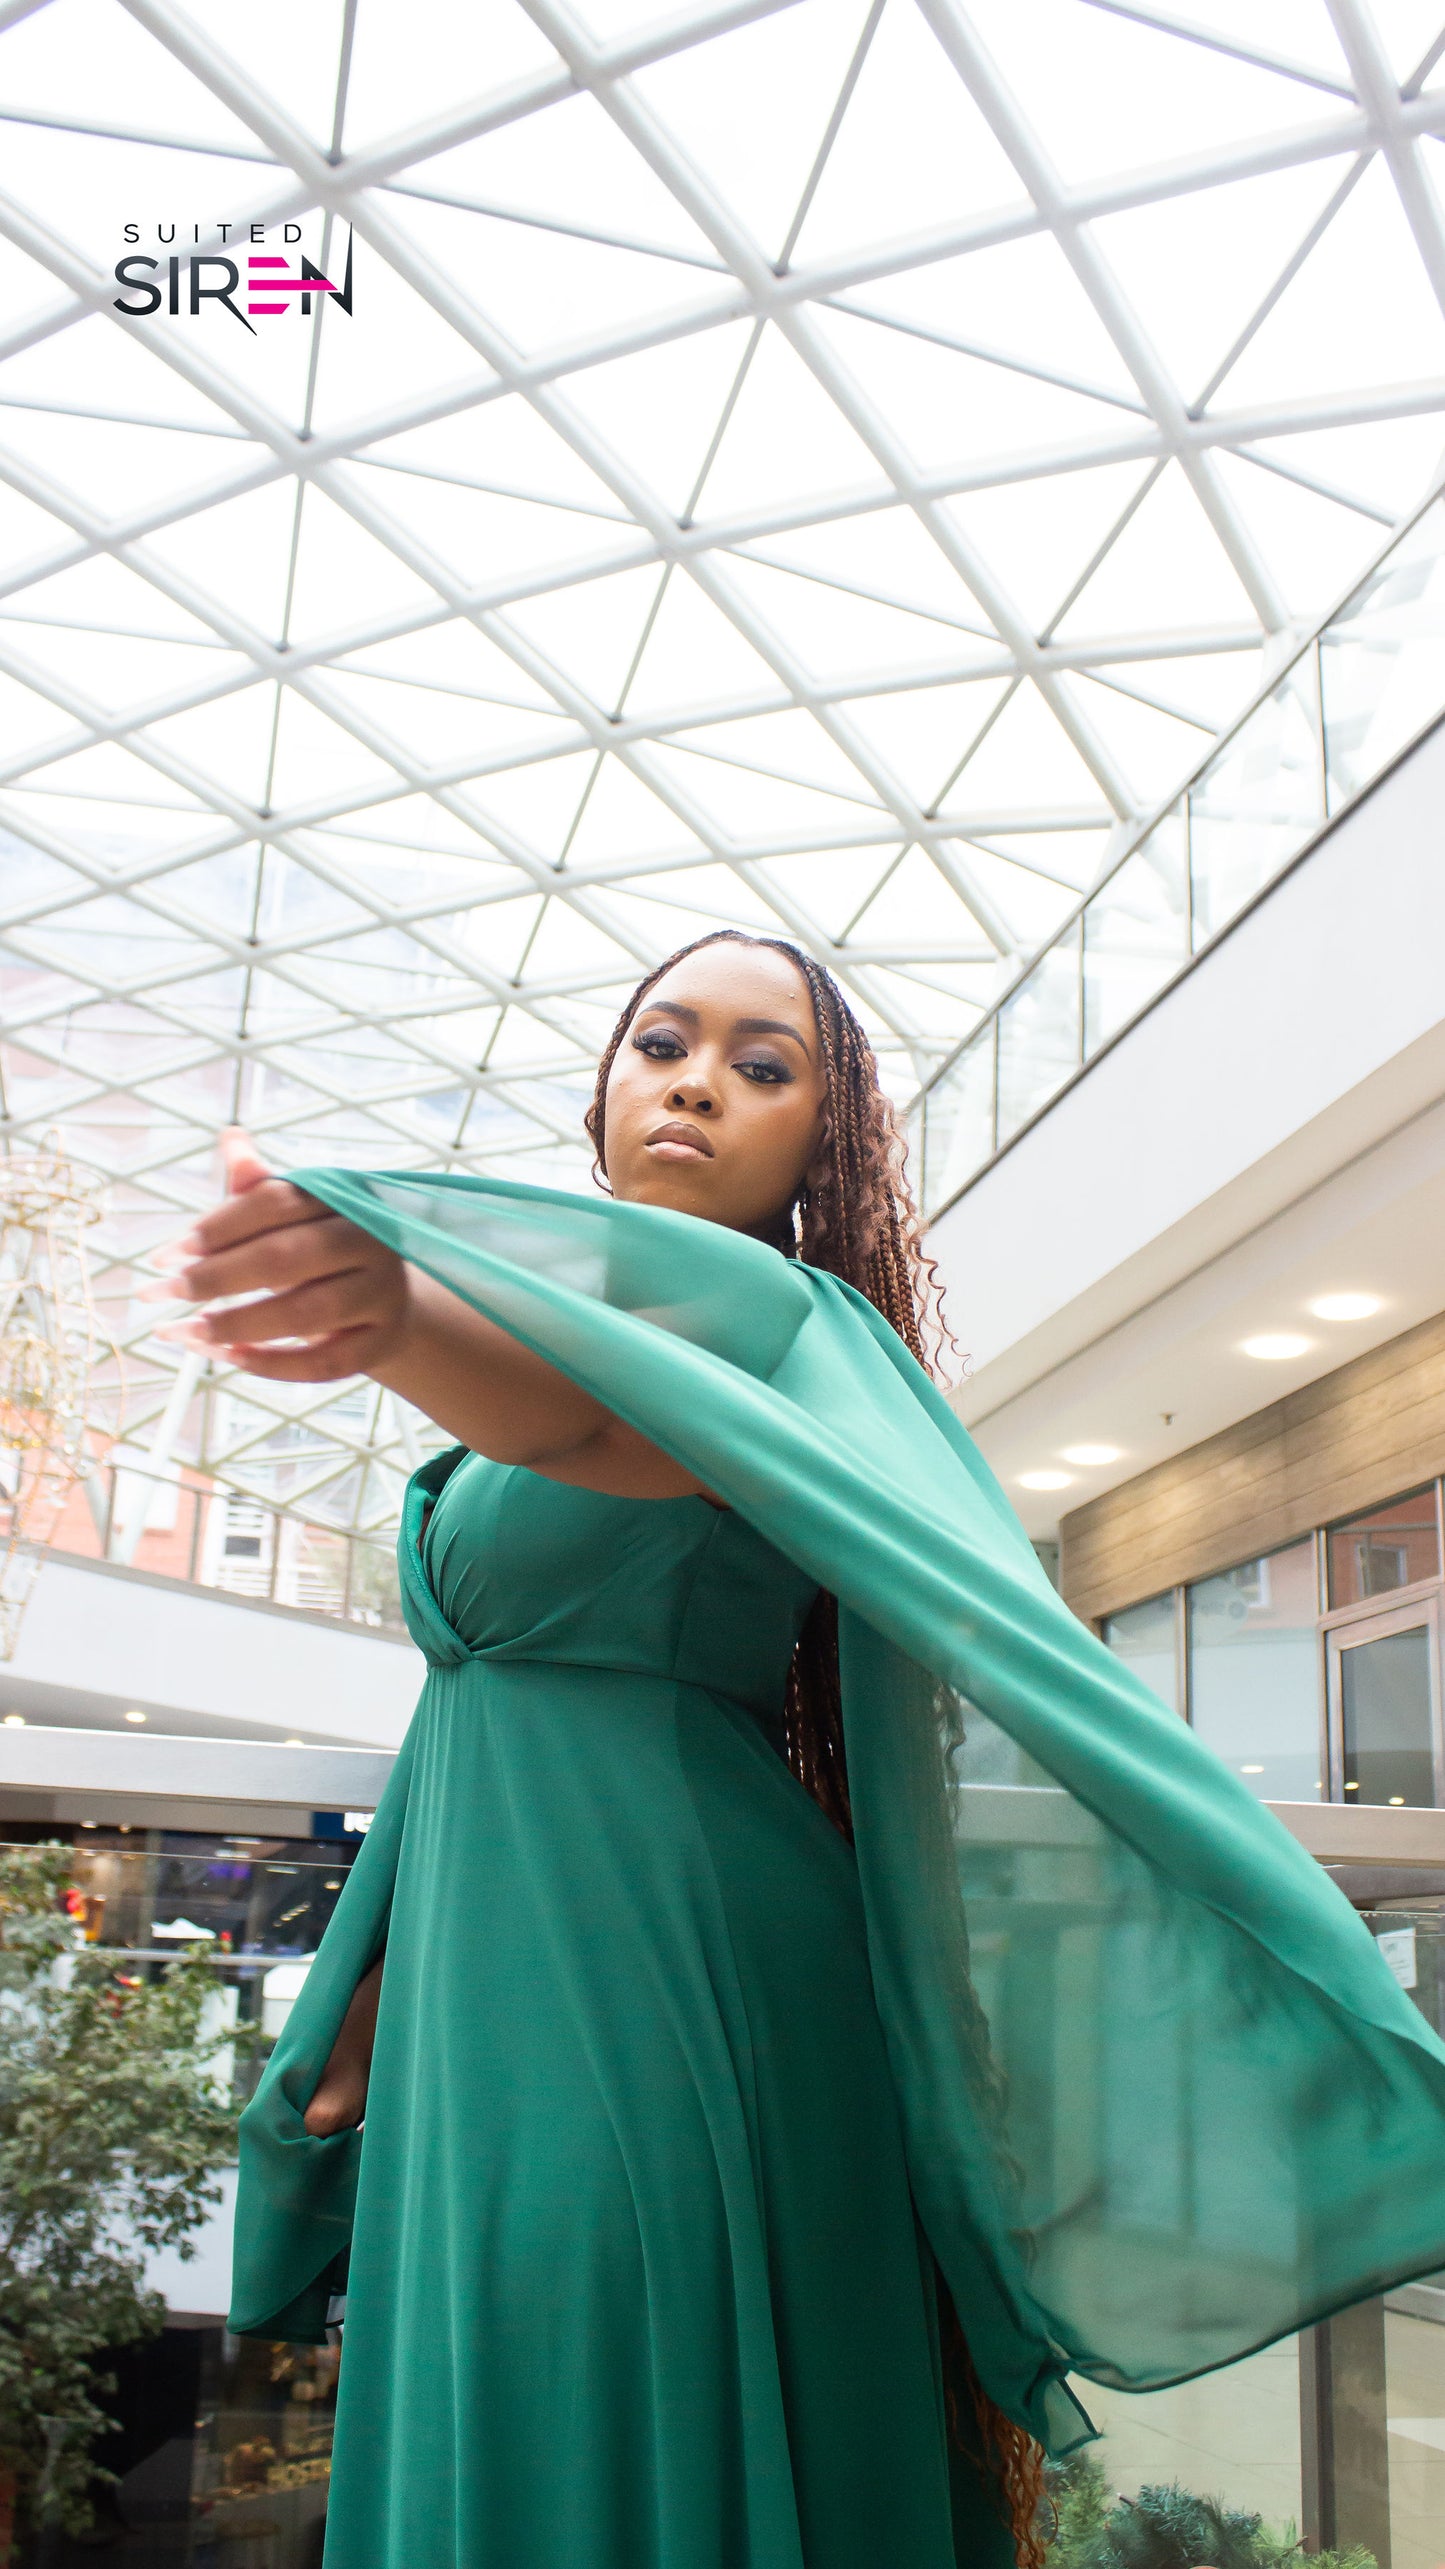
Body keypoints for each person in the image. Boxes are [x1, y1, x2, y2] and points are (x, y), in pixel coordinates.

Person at [161, 933, 1445, 2569]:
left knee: (600, 2389)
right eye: (660, 1042)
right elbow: (480, 1702)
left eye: (763, 1066)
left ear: (816, 1150)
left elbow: (584, 1431)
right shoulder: (574, 1321)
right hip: (507, 1987)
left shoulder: (772, 1330)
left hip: (659, 1975)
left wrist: (383, 1308)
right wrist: (369, 1995)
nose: (697, 1079)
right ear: (603, 1089)